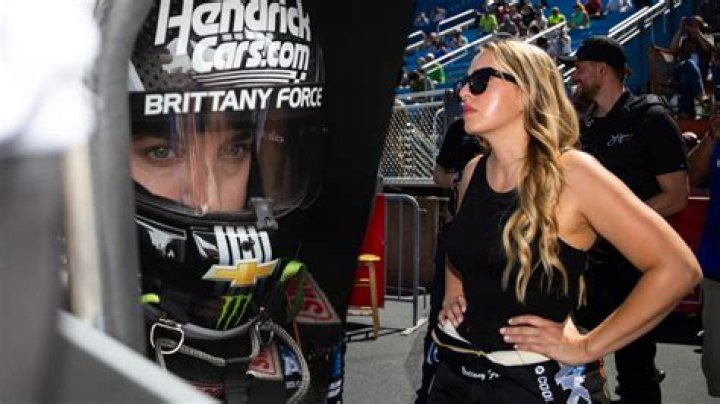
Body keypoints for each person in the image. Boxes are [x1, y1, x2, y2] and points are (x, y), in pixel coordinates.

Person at [429, 38, 701, 403]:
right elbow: (462, 242)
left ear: (527, 91)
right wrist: (455, 289)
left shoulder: (573, 174)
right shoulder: (473, 171)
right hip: (455, 372)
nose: (463, 91)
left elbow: (678, 269)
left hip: (534, 385)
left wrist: (587, 346)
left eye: (480, 81)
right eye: (464, 82)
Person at [129, 1, 343, 402]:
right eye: (162, 152)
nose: (207, 198)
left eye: (233, 150)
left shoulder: (308, 328)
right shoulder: (45, 335)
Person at [561, 36, 691, 403]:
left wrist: (616, 225)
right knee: (573, 363)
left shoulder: (650, 117)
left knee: (635, 369)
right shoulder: (584, 126)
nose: (575, 77)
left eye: (580, 69)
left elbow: (676, 195)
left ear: (602, 70)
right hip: (589, 268)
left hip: (636, 268)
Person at [415, 118, 482, 404]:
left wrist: (586, 347)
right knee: (442, 324)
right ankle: (428, 389)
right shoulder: (460, 130)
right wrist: (456, 179)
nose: (466, 96)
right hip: (457, 242)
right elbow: (438, 174)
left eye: (479, 92)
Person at [687, 108, 720, 399]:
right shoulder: (716, 139)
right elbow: (691, 178)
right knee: (717, 364)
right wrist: (711, 136)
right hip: (716, 268)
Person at [670, 15, 715, 83]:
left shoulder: (708, 37)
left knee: (686, 76)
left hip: (701, 69)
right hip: (686, 70)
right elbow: (672, 49)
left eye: (695, 25)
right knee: (684, 75)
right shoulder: (684, 40)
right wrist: (680, 29)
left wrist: (698, 33)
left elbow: (708, 48)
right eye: (691, 25)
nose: (692, 27)